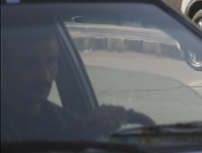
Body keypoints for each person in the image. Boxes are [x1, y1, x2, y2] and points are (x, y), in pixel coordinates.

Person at [0, 22, 129, 142]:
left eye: (51, 62)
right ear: (3, 67)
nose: (44, 75)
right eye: (31, 64)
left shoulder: (69, 121)